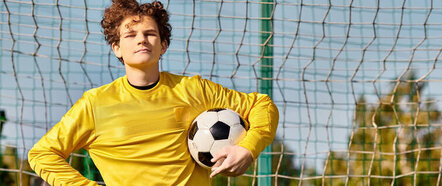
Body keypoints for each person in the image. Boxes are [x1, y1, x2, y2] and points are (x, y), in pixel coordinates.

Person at [27, 0, 279, 185]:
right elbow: (42, 153)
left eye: (150, 34)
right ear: (116, 48)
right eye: (131, 34)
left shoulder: (194, 90)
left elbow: (262, 106)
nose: (141, 40)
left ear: (163, 45)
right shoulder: (95, 103)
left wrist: (248, 148)